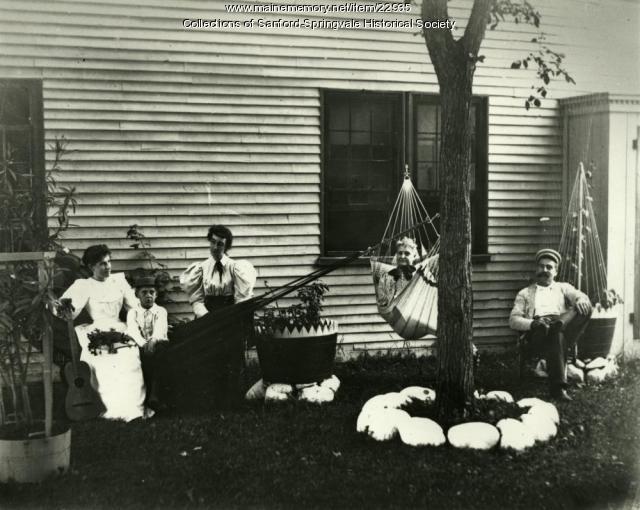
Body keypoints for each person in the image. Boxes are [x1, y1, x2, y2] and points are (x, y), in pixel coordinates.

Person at [58, 244, 151, 421]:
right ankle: (108, 407)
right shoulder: (84, 285)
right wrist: (65, 307)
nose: (107, 267)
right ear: (92, 267)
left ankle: (132, 408)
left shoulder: (119, 281)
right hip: (96, 331)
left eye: (109, 262)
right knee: (102, 358)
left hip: (119, 328)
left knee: (128, 357)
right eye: (102, 264)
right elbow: (69, 310)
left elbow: (135, 308)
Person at [180, 225, 257, 407]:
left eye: (220, 244)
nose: (215, 248)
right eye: (213, 242)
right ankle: (211, 399)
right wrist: (207, 317)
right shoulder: (201, 269)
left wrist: (233, 317)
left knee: (232, 357)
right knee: (210, 358)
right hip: (209, 318)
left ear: (226, 246)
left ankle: (231, 400)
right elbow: (197, 299)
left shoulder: (236, 268)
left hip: (230, 317)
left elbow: (242, 298)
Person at [509, 248, 593, 401]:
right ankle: (558, 389)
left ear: (556, 271)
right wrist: (533, 323)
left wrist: (580, 300)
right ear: (536, 269)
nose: (544, 270)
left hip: (563, 326)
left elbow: (580, 296)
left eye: (549, 267)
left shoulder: (563, 288)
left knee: (584, 308)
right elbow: (513, 320)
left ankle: (559, 324)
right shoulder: (525, 293)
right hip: (538, 333)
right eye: (541, 266)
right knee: (555, 334)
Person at [126, 275, 169, 411]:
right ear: (137, 295)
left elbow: (160, 328)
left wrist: (153, 340)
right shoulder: (133, 312)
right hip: (141, 345)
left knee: (161, 351)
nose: (148, 296)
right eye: (144, 292)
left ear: (156, 295)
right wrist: (143, 343)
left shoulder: (160, 311)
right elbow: (132, 330)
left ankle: (155, 394)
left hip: (158, 344)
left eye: (152, 292)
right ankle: (143, 396)